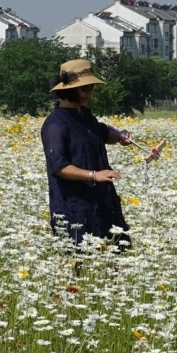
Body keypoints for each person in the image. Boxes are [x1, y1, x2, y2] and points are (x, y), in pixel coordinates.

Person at [40, 59, 133, 247]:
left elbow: (104, 132)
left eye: (91, 88)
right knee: (77, 263)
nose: (89, 94)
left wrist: (121, 136)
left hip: (102, 201)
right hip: (74, 207)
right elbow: (58, 166)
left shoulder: (85, 115)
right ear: (69, 90)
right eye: (85, 89)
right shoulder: (55, 124)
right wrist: (93, 175)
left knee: (112, 257)